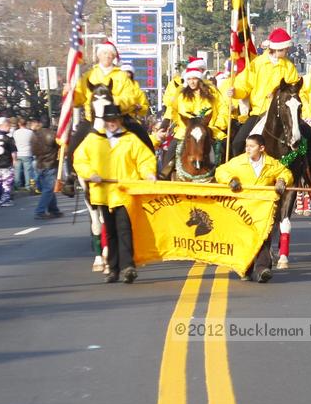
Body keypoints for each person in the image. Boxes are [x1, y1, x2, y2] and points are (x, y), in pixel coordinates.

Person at [73, 104, 157, 283]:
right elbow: (80, 159)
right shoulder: (93, 139)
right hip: (103, 192)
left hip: (124, 192)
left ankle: (128, 266)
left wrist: (148, 173)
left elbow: (144, 159)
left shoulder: (131, 139)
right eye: (108, 120)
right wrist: (90, 174)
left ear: (120, 120)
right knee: (110, 231)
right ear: (104, 122)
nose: (112, 123)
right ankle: (113, 268)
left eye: (115, 120)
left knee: (124, 229)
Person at [215, 134, 293, 282]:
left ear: (262, 148)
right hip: (244, 209)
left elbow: (286, 172)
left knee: (264, 237)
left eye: (251, 146)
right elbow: (220, 171)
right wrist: (230, 180)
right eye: (246, 146)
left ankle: (263, 268)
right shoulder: (238, 162)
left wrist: (282, 180)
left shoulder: (271, 163)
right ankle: (247, 268)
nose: (247, 149)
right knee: (246, 239)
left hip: (264, 209)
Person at [229, 27, 300, 156]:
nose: (287, 52)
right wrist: (235, 92)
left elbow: (294, 90)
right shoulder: (256, 64)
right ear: (278, 49)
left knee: (309, 137)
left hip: (284, 112)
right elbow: (244, 86)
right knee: (237, 143)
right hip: (259, 113)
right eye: (285, 49)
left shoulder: (289, 67)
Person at [160, 64, 222, 178]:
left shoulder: (212, 93)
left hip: (210, 128)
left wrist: (218, 126)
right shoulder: (182, 95)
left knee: (226, 145)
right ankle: (165, 173)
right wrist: (166, 123)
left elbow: (223, 108)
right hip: (185, 129)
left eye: (194, 79)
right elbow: (173, 110)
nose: (192, 82)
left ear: (199, 79)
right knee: (171, 149)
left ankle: (227, 173)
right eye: (189, 79)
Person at [31, 117, 63, 220]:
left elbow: (33, 150)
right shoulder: (52, 134)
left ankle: (54, 210)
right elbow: (60, 147)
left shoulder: (35, 135)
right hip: (50, 164)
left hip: (39, 163)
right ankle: (39, 211)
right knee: (48, 189)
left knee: (47, 188)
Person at [12, 116, 35, 191]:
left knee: (17, 170)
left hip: (18, 153)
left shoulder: (15, 132)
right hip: (28, 153)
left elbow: (14, 143)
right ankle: (28, 186)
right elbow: (33, 142)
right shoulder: (30, 132)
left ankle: (16, 185)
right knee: (28, 171)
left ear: (19, 124)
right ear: (26, 123)